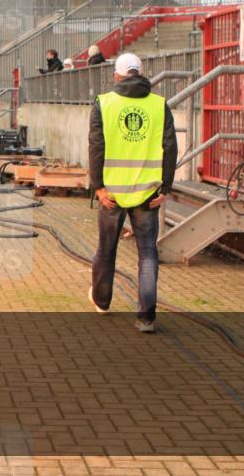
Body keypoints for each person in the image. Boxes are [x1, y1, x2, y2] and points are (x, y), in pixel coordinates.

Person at [87, 53, 177, 334]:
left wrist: (98, 186)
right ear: (141, 73)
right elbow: (170, 148)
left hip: (111, 193)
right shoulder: (159, 105)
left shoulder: (104, 104)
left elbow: (96, 146)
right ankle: (146, 318)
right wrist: (166, 187)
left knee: (106, 249)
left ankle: (102, 302)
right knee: (148, 254)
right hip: (147, 195)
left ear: (117, 75)